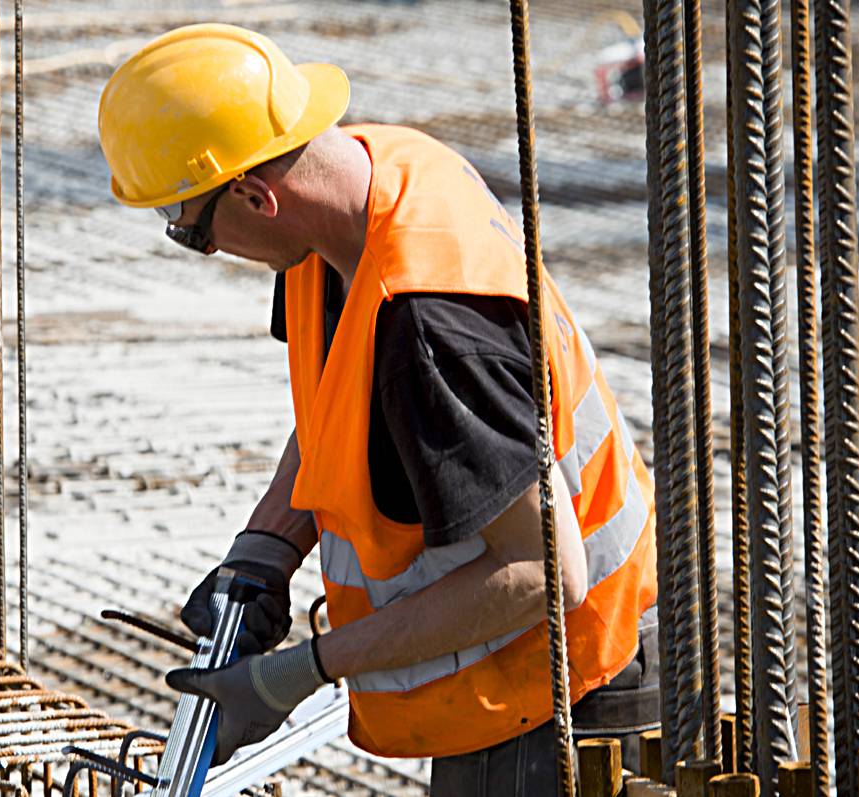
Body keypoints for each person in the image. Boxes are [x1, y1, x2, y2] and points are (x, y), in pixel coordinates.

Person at [95, 23, 661, 795]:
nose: (206, 248)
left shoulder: (429, 325)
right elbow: (340, 403)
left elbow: (542, 571)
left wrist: (300, 670)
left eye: (191, 231)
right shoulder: (360, 185)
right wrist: (267, 547)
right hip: (507, 681)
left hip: (565, 691)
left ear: (256, 196)